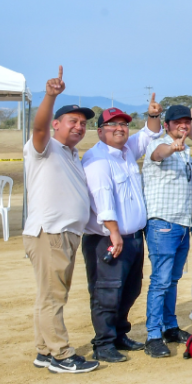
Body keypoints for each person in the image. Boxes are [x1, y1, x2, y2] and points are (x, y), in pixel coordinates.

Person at [23, 67, 99, 373]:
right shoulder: (44, 147)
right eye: (73, 121)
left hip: (65, 234)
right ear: (57, 124)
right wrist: (51, 96)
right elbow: (39, 128)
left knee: (50, 295)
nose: (79, 126)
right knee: (53, 297)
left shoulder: (71, 154)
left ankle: (44, 351)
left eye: (83, 123)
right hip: (50, 233)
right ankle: (61, 354)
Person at [81, 98, 162, 364]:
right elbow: (102, 200)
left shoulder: (127, 151)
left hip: (133, 237)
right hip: (107, 237)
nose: (119, 128)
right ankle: (103, 343)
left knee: (130, 288)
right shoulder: (97, 159)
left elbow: (149, 133)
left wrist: (152, 114)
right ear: (100, 131)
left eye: (124, 124)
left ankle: (119, 334)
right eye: (112, 124)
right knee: (107, 291)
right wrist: (114, 233)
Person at [141, 104, 192, 358]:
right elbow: (158, 154)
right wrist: (171, 147)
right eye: (177, 122)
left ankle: (170, 327)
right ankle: (153, 334)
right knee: (161, 281)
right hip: (162, 224)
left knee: (173, 280)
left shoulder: (187, 152)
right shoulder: (160, 144)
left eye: (186, 121)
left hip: (182, 224)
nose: (182, 125)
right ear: (167, 125)